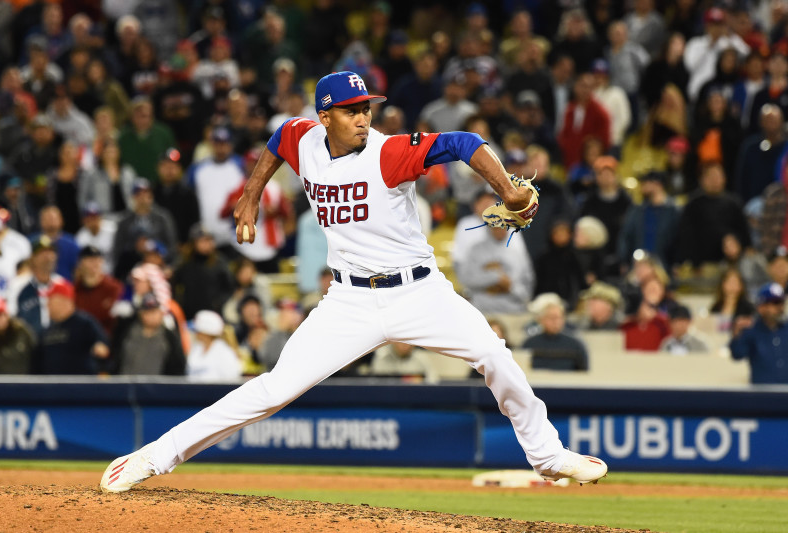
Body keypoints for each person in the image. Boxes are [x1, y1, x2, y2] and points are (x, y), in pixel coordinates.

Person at [100, 70, 607, 493]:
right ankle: (153, 457)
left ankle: (547, 456)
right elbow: (279, 140)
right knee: (274, 388)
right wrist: (252, 194)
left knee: (495, 355)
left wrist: (508, 189)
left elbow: (463, 142)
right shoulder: (305, 140)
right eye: (351, 110)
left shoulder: (387, 153)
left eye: (366, 107)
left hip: (420, 293)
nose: (364, 117)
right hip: (348, 301)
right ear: (325, 117)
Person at [35, 279, 110, 375]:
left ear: (65, 301)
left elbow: (103, 347)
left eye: (50, 300)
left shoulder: (84, 323)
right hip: (51, 386)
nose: (47, 305)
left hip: (80, 386)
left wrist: (100, 347)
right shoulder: (47, 329)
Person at [111, 292, 185, 376]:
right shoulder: (127, 331)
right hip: (127, 384)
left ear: (161, 313)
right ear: (140, 314)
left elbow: (178, 366)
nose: (151, 316)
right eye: (147, 312)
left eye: (154, 311)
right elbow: (115, 356)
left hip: (157, 386)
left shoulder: (169, 337)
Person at [729, 283, 788, 384]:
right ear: (761, 307)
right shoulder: (752, 330)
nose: (780, 307)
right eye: (775, 302)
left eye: (781, 302)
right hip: (762, 393)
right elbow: (737, 354)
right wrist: (736, 333)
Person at [521, 293, 589, 371]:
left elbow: (583, 372)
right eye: (552, 318)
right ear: (541, 320)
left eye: (559, 318)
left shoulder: (575, 345)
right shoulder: (529, 344)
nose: (556, 322)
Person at [185, 309, 242, 382]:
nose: (195, 334)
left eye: (198, 331)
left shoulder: (224, 352)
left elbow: (232, 379)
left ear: (206, 332)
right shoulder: (197, 348)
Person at [0, 297, 36, 374]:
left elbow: (36, 355)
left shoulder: (21, 331)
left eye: (2, 314)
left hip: (23, 382)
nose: (1, 319)